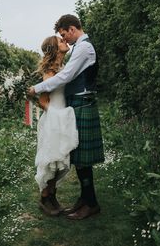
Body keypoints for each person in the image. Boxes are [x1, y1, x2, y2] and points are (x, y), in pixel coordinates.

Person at [28, 14, 104, 220]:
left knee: (80, 158)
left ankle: (91, 203)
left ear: (72, 29)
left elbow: (67, 76)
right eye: (61, 38)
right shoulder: (78, 49)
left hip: (82, 103)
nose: (65, 39)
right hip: (73, 106)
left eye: (64, 34)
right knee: (78, 156)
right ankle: (84, 199)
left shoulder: (84, 47)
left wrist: (36, 88)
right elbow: (56, 84)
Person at [34, 35, 79, 216]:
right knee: (52, 159)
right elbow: (42, 101)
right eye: (61, 41)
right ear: (54, 48)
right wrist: (58, 116)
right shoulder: (49, 72)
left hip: (63, 118)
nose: (65, 41)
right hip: (53, 119)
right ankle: (45, 198)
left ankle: (53, 196)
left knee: (61, 159)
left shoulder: (63, 68)